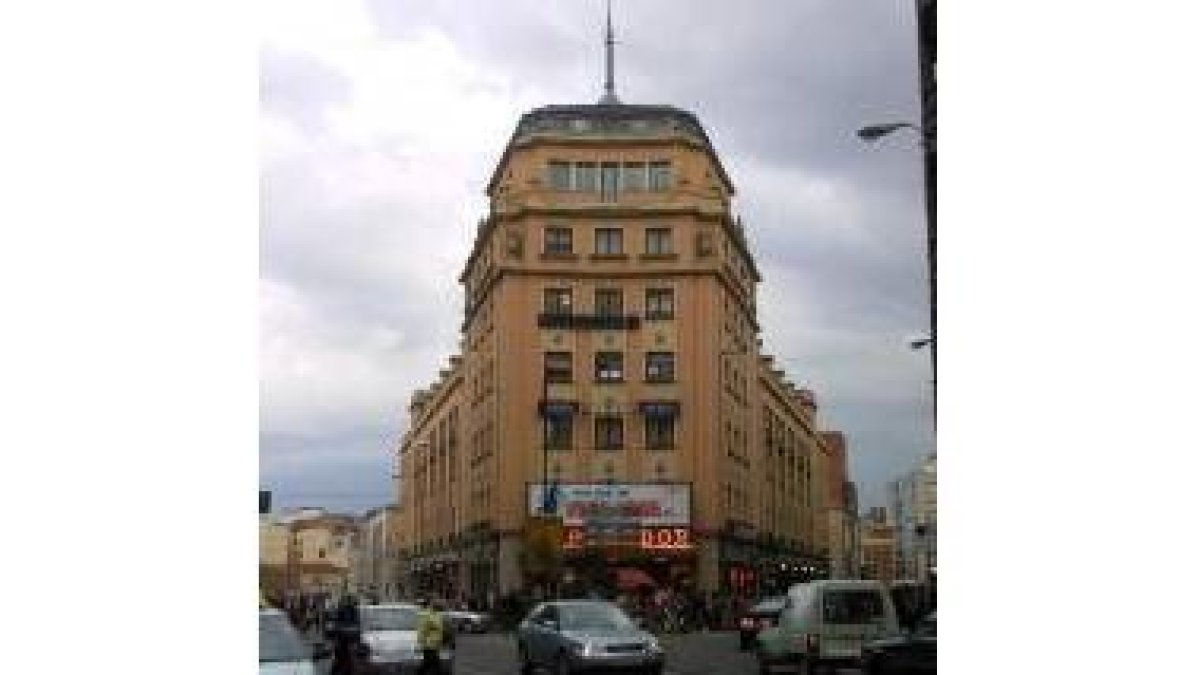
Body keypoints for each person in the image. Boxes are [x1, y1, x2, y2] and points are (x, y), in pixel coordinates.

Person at [329, 594, 361, 675]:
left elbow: (358, 624)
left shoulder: (354, 611)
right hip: (344, 641)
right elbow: (335, 623)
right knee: (340, 660)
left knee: (347, 662)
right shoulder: (343, 611)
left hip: (349, 641)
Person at [415, 597, 447, 674]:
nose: (440, 604)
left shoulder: (436, 614)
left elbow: (440, 628)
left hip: (436, 644)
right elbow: (422, 629)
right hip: (429, 645)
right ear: (432, 604)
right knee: (434, 664)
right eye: (437, 603)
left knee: (429, 664)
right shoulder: (426, 614)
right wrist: (421, 643)